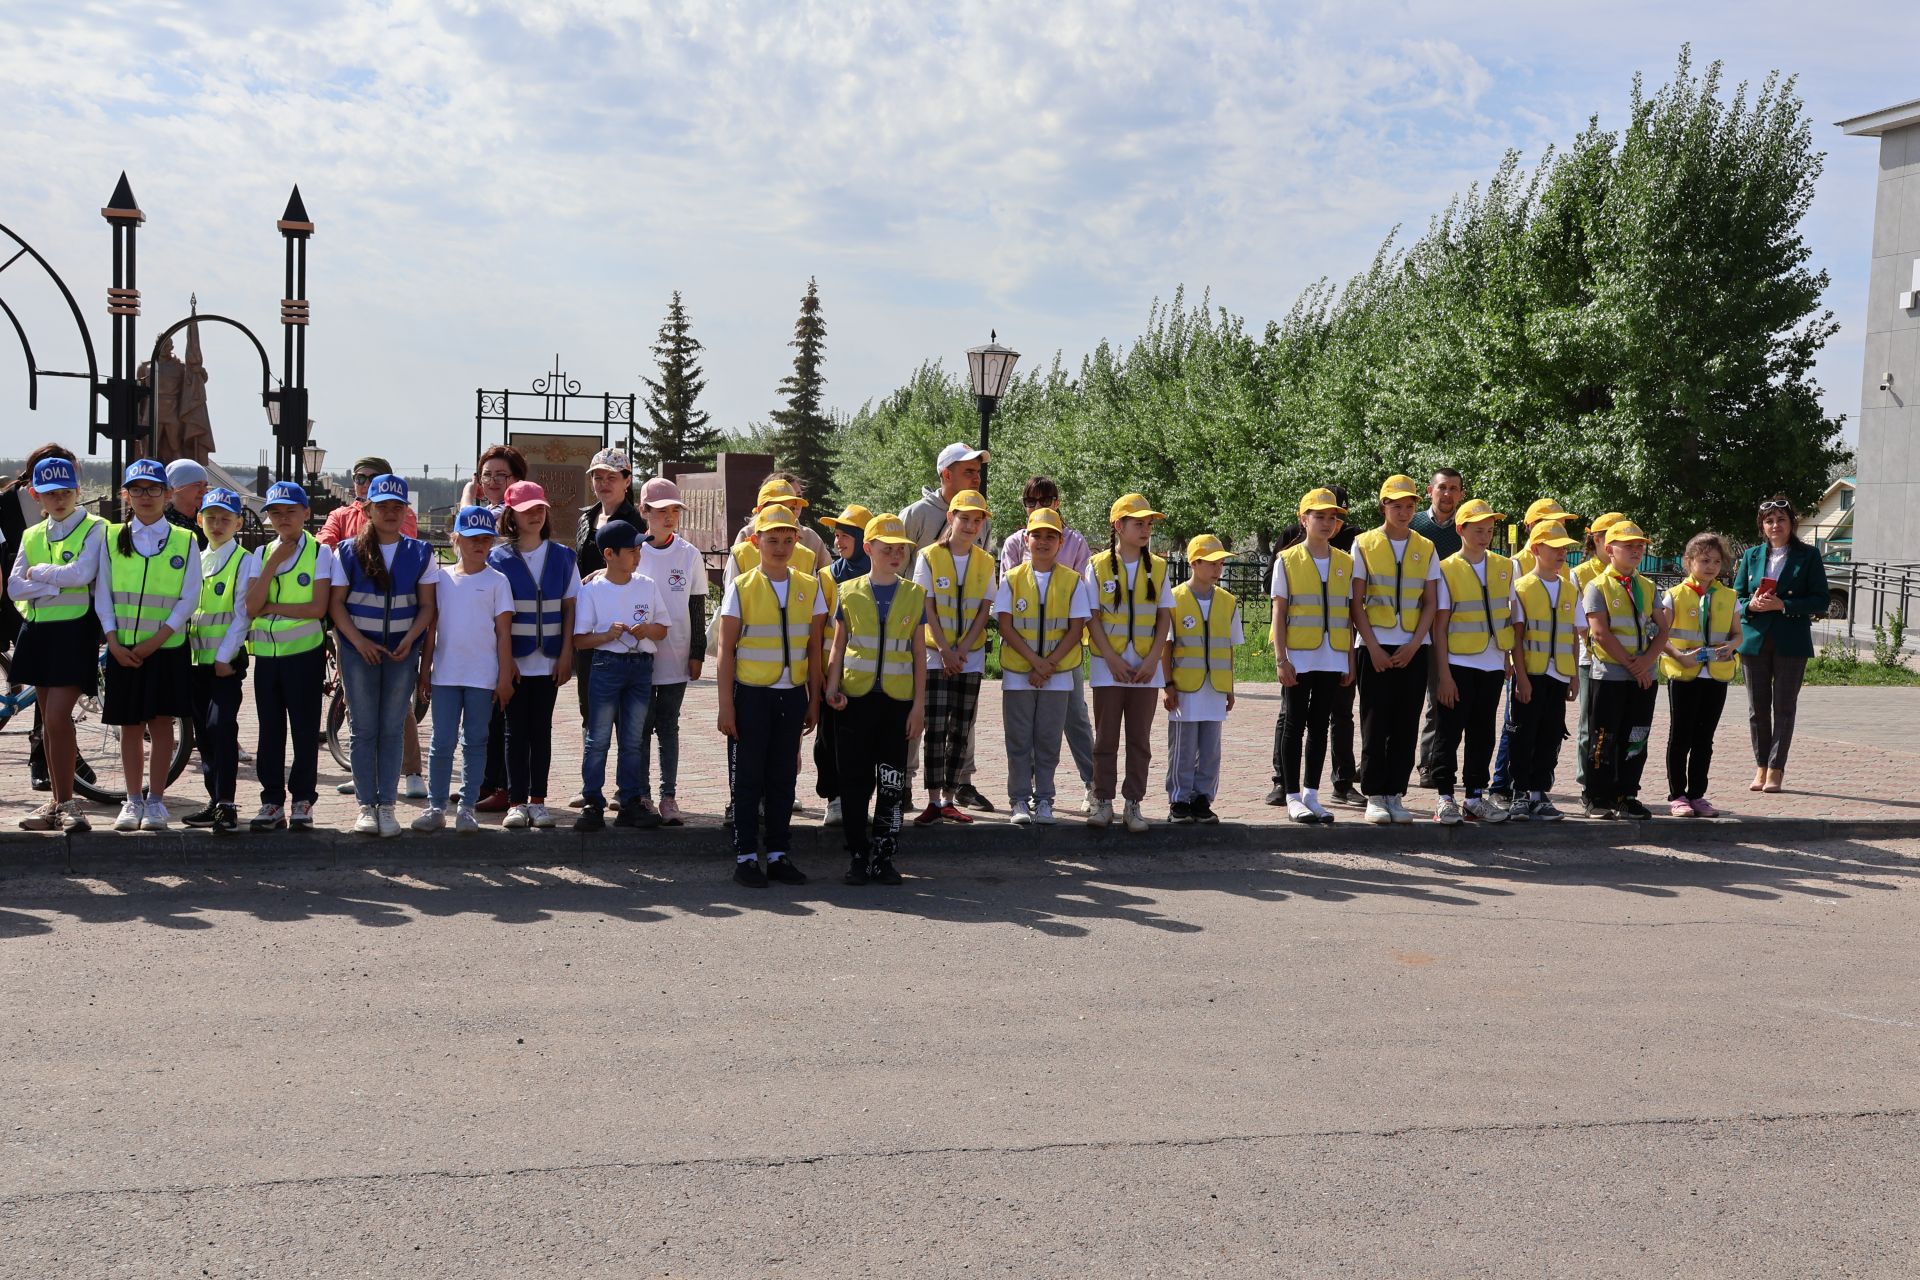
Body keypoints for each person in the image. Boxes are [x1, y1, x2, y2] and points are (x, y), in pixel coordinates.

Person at [716, 505, 824, 888]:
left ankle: (778, 854)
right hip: (751, 696)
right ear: (755, 542)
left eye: (788, 540)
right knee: (747, 779)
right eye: (772, 540)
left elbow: (814, 649)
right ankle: (746, 856)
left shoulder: (809, 587)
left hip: (792, 695)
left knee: (783, 778)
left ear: (798, 542)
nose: (780, 547)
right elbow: (726, 650)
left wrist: (813, 699)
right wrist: (725, 705)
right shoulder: (742, 587)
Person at [330, 474, 440, 838]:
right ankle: (366, 806)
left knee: (393, 729)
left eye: (397, 506)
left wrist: (410, 641)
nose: (390, 513)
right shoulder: (346, 551)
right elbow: (336, 605)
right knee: (363, 730)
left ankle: (388, 806)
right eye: (383, 506)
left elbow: (427, 607)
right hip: (359, 651)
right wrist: (359, 642)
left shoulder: (421, 552)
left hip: (399, 652)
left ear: (406, 510)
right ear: (368, 509)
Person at [97, 459, 201, 831]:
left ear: (167, 494)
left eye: (153, 489)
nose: (145, 496)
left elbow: (190, 596)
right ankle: (132, 799)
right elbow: (103, 594)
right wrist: (112, 639)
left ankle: (156, 800)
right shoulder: (111, 537)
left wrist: (157, 640)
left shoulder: (185, 538)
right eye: (137, 489)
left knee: (161, 723)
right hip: (123, 648)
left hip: (166, 649)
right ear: (125, 494)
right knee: (128, 725)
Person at [824, 512, 926, 885]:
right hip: (855, 701)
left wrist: (918, 707)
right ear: (869, 548)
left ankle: (883, 856)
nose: (895, 555)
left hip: (897, 704)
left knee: (892, 781)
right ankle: (857, 854)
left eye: (901, 549)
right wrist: (831, 690)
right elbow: (838, 648)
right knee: (853, 780)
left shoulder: (915, 594)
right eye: (887, 549)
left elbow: (918, 654)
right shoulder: (848, 592)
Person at [10, 450, 107, 832]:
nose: (59, 498)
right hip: (37, 631)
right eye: (50, 493)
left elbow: (82, 573)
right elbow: (15, 584)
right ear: (35, 495)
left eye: (65, 490)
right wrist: (54, 582)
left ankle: (68, 804)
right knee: (48, 725)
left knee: (56, 717)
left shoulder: (94, 527)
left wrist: (42, 577)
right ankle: (56, 803)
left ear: (78, 489)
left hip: (74, 630)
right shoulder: (31, 533)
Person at [318, 455, 426, 798]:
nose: (362, 482)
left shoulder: (406, 529)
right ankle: (364, 776)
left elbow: (401, 555)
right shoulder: (341, 518)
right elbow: (325, 542)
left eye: (370, 477)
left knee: (397, 713)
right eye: (359, 477)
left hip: (397, 636)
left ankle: (409, 771)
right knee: (357, 710)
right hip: (353, 632)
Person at [902, 442, 996, 813]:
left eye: (977, 471)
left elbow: (981, 585)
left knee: (963, 720)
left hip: (965, 645)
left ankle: (961, 784)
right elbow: (898, 569)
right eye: (968, 471)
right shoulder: (916, 515)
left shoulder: (983, 519)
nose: (976, 477)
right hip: (921, 639)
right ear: (946, 475)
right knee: (918, 713)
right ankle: (908, 782)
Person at [412, 506, 514, 833]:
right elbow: (431, 629)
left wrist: (503, 677)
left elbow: (503, 634)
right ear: (456, 539)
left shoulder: (498, 582)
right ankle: (436, 806)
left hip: (482, 677)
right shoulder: (441, 580)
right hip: (445, 675)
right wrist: (425, 670)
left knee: (476, 740)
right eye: (471, 538)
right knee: (441, 741)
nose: (479, 545)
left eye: (486, 539)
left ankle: (467, 807)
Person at [1002, 476, 1096, 813]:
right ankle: (1022, 796)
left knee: (1074, 718)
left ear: (1057, 502)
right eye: (1031, 501)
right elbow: (1010, 599)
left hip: (1063, 656)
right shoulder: (1014, 543)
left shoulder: (1075, 542)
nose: (1038, 507)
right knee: (1023, 727)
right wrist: (1033, 661)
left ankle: (1093, 784)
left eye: (1046, 500)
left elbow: (1080, 595)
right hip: (1023, 657)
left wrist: (1051, 662)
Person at [244, 482, 333, 830]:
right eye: (275, 512)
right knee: (270, 731)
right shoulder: (262, 553)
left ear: (305, 514)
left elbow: (317, 607)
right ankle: (271, 801)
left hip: (304, 655)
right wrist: (273, 563)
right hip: (267, 657)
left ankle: (302, 800)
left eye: (290, 511)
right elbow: (251, 606)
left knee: (304, 729)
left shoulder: (319, 553)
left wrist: (273, 606)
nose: (283, 518)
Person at [1351, 474, 1439, 825]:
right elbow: (1356, 602)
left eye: (1410, 506)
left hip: (1413, 647)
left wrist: (1415, 644)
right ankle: (1374, 793)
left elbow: (1430, 603)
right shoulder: (1364, 543)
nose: (1404, 512)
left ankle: (1395, 793)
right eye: (1397, 505)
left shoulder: (1426, 546)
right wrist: (1372, 646)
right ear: (1383, 505)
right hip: (1374, 644)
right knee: (1375, 720)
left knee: (1406, 721)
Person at [487, 481, 576, 830]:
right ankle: (516, 801)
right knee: (513, 731)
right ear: (512, 515)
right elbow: (495, 619)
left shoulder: (563, 557)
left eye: (540, 509)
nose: (536, 515)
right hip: (515, 661)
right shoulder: (498, 559)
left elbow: (571, 610)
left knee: (541, 731)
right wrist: (504, 663)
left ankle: (538, 801)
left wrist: (567, 654)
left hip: (550, 659)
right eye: (527, 510)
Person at [1265, 484, 1360, 808]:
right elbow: (1279, 612)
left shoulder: (1345, 563)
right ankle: (1291, 795)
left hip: (1332, 656)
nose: (1326, 523)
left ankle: (1312, 794)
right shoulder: (1286, 561)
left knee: (1320, 726)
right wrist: (1281, 659)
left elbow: (1348, 616)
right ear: (1303, 520)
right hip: (1299, 656)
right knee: (1294, 724)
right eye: (1318, 516)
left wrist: (1349, 660)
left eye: (1332, 517)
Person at [570, 518, 668, 833]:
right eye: (632, 549)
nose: (638, 554)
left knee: (633, 740)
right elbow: (580, 639)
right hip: (606, 666)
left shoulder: (647, 585)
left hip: (640, 668)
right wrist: (606, 635)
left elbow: (662, 630)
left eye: (640, 548)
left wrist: (647, 630)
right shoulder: (593, 589)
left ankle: (629, 803)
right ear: (609, 554)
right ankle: (592, 803)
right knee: (597, 739)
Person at [1085, 493, 1172, 833]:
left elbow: (1165, 617)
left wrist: (1154, 660)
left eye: (1148, 523)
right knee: (1105, 739)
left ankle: (1133, 804)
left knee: (1140, 740)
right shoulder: (1097, 566)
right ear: (1118, 526)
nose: (1146, 529)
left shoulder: (1160, 567)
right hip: (1109, 669)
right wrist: (1110, 657)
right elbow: (1091, 618)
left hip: (1146, 671)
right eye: (1139, 523)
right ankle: (1102, 800)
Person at [1429, 499, 1518, 825]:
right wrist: (1444, 675)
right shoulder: (1446, 568)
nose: (1485, 536)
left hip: (1492, 663)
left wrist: (1507, 658)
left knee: (1483, 734)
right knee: (1449, 733)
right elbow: (1439, 626)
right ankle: (1444, 797)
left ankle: (1474, 797)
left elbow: (1508, 615)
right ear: (1461, 530)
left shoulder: (1504, 566)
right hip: (1458, 663)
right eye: (1478, 530)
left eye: (1490, 530)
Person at [1733, 495, 1827, 795]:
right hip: (1754, 639)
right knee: (1756, 708)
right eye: (1769, 521)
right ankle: (1760, 765)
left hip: (1791, 641)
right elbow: (1736, 597)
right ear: (1762, 526)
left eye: (1781, 520)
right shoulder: (1750, 556)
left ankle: (1776, 768)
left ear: (1791, 524)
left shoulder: (1808, 556)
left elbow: (1821, 600)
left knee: (1784, 708)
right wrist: (1753, 606)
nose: (1775, 525)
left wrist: (1783, 604)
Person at [1490, 498, 1580, 804]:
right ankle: (1506, 786)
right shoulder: (1516, 566)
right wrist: (1512, 664)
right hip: (1525, 665)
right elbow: (1513, 624)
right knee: (1516, 727)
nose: (1560, 529)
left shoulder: (1563, 573)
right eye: (1552, 522)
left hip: (1555, 669)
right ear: (1532, 529)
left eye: (1563, 523)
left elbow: (1568, 626)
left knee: (1548, 729)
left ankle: (1535, 788)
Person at [630, 476, 706, 827]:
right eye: (661, 510)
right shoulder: (634, 550)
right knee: (641, 728)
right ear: (644, 511)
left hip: (676, 654)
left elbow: (696, 606)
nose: (669, 516)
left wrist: (697, 653)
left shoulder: (689, 554)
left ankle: (669, 795)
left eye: (674, 510)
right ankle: (642, 794)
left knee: (669, 726)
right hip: (639, 655)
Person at [1581, 520, 1669, 820]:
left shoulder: (1647, 585)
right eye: (1628, 545)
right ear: (1609, 549)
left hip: (1643, 676)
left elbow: (1662, 628)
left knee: (1636, 736)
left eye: (1640, 545)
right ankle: (1597, 795)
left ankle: (1627, 793)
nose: (1636, 550)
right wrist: (1634, 666)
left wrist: (1646, 663)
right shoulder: (1598, 586)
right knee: (1604, 736)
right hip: (1610, 675)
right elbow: (1601, 633)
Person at [181, 487, 253, 834]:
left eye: (226, 518)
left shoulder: (244, 560)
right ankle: (213, 801)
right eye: (211, 517)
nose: (218, 524)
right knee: (203, 736)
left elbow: (242, 614)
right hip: (195, 662)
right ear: (200, 520)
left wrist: (225, 656)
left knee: (220, 728)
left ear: (239, 522)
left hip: (224, 663)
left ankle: (227, 803)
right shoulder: (195, 556)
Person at [1661, 532, 1742, 817]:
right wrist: (1679, 656)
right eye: (1704, 560)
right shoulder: (1674, 595)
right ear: (1688, 562)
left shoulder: (1729, 596)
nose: (1711, 567)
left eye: (1717, 562)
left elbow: (1737, 634)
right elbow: (1661, 635)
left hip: (1715, 675)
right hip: (1684, 674)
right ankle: (1678, 795)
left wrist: (1730, 646)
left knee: (1704, 738)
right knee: (1680, 735)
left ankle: (1698, 794)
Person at [465, 444, 528, 813]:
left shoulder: (515, 518)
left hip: (510, 624)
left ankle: (505, 786)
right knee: (484, 711)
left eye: (501, 475)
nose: (492, 481)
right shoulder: (482, 514)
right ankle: (485, 782)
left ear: (517, 478)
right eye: (486, 475)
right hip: (480, 626)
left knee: (505, 711)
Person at [1163, 534, 1240, 825]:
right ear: (1194, 563)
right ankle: (1179, 800)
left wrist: (1229, 688)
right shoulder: (1175, 599)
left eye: (1220, 563)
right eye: (1211, 563)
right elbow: (1166, 646)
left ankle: (1202, 799)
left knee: (1210, 749)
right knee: (1183, 748)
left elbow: (1229, 647)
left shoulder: (1228, 602)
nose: (1218, 569)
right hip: (1185, 687)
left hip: (1215, 688)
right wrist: (1168, 684)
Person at [813, 502, 873, 828]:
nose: (838, 543)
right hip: (828, 677)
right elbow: (816, 630)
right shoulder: (825, 578)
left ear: (863, 538)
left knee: (861, 747)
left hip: (865, 680)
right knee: (828, 743)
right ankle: (833, 799)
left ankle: (856, 801)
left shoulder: (878, 577)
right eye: (836, 536)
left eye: (845, 535)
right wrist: (821, 675)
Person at [1411, 467, 1465, 788]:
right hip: (1408, 623)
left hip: (1446, 627)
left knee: (1437, 699)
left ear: (1461, 494)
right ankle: (1381, 759)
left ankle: (1428, 764)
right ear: (1430, 490)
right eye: (1442, 487)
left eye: (1454, 489)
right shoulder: (1413, 523)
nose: (1447, 494)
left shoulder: (1465, 528)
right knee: (1399, 699)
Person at [1570, 511, 1626, 802]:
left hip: (1622, 662)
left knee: (1618, 724)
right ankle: (1587, 781)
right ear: (1596, 539)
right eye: (1610, 535)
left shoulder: (1630, 575)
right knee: (1589, 726)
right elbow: (1581, 625)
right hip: (1591, 660)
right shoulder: (1580, 574)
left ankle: (1615, 781)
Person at [163, 458, 209, 547]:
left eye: (205, 485)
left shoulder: (209, 519)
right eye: (197, 485)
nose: (203, 491)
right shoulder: (162, 522)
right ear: (176, 487)